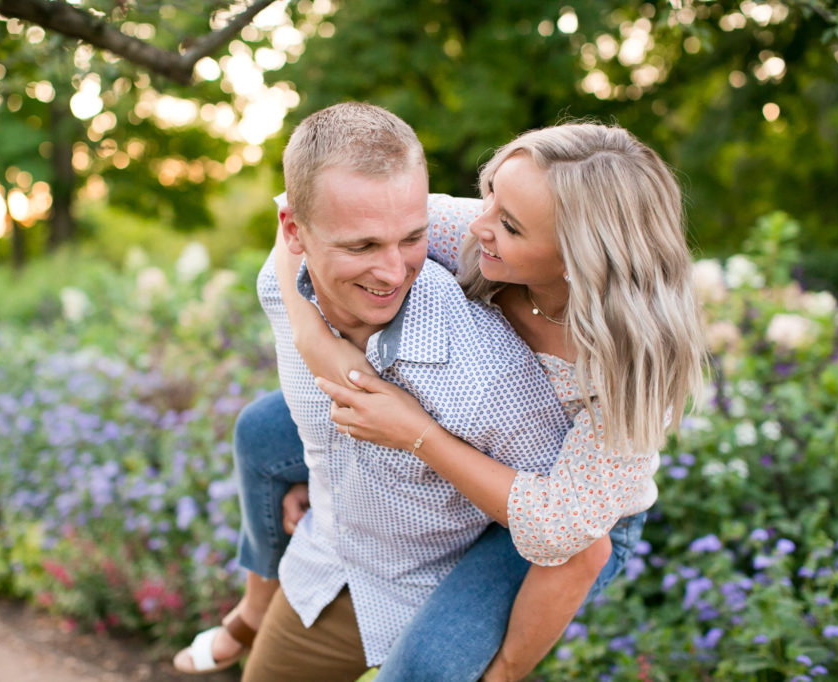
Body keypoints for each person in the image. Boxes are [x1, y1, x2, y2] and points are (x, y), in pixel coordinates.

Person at [173, 104, 640, 681]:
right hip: (457, 447)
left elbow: (571, 538)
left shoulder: (626, 369)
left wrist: (413, 431)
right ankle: (251, 610)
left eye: (509, 223)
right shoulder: (471, 233)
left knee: (427, 667)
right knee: (261, 437)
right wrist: (313, 340)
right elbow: (293, 213)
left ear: (578, 257)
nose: (477, 223)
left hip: (576, 509)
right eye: (489, 194)